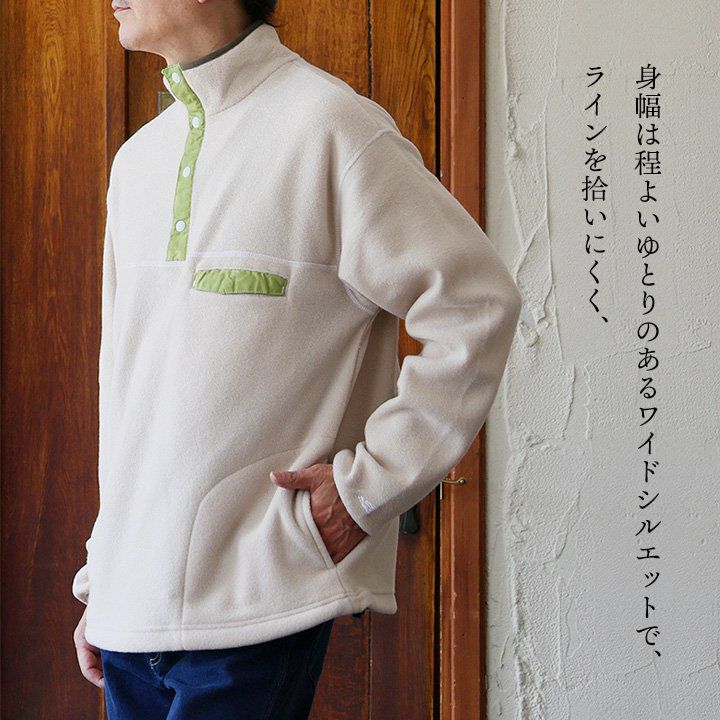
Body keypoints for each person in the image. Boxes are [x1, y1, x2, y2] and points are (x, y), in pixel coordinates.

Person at [71, 0, 523, 717]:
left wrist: (368, 490)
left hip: (258, 603)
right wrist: (104, 577)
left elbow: (476, 304)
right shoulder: (137, 163)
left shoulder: (332, 129)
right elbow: (125, 390)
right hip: (128, 616)